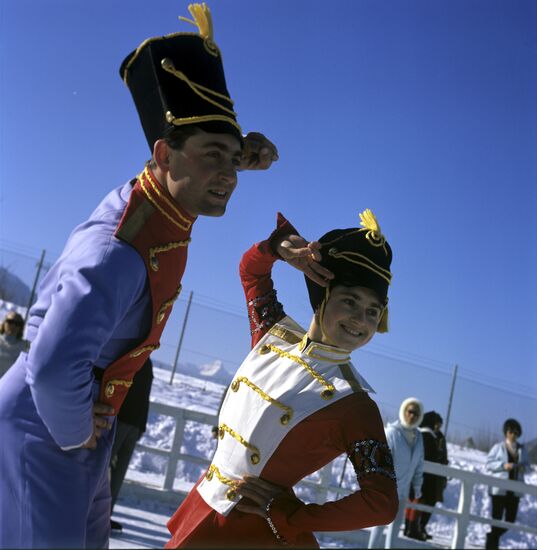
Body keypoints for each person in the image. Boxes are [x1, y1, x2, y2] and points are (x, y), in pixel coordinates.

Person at [0, 4, 277, 548]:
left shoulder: (155, 199)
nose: (227, 174)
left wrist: (237, 155)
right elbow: (54, 367)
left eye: (232, 158)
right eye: (213, 156)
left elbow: (186, 161)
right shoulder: (117, 250)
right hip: (48, 425)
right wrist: (79, 430)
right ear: (163, 154)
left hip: (77, 426)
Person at [166, 209, 399, 548]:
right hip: (204, 508)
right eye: (349, 301)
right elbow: (251, 272)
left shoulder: (355, 403)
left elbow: (381, 502)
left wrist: (292, 515)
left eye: (372, 311)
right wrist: (277, 248)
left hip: (253, 534)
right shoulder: (272, 336)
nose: (360, 319)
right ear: (323, 296)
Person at [368, 397, 424, 549]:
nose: (412, 416)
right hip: (388, 490)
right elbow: (381, 460)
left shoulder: (419, 438)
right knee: (380, 524)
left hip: (404, 492)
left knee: (395, 527)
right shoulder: (392, 433)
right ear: (404, 411)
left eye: (416, 414)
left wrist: (416, 488)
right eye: (410, 411)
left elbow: (419, 466)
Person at [110, 358, 154, 532]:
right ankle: (93, 513)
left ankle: (104, 515)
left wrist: (141, 425)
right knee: (102, 471)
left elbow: (145, 395)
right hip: (120, 420)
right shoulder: (134, 356)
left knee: (117, 473)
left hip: (130, 424)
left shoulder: (143, 360)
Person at [485, 418, 529, 549]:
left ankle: (491, 538)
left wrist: (523, 468)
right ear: (506, 432)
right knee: (496, 520)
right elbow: (489, 464)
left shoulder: (522, 449)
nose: (513, 435)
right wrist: (503, 465)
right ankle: (492, 547)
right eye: (511, 431)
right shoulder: (498, 447)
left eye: (516, 432)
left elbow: (528, 466)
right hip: (499, 490)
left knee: (510, 521)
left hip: (514, 491)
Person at [406, 410, 449, 541]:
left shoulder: (421, 435)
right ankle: (412, 528)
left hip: (417, 475)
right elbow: (431, 456)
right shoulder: (427, 437)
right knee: (419, 501)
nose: (438, 427)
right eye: (436, 424)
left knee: (415, 500)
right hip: (425, 477)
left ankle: (413, 527)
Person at [0, 311, 27, 378]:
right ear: (4, 322)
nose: (13, 326)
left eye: (17, 323)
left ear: (21, 327)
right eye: (10, 322)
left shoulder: (25, 346)